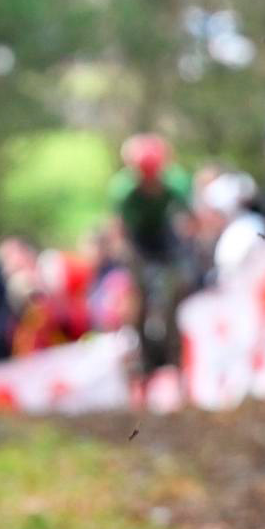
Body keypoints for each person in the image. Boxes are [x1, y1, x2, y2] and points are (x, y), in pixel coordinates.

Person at [110, 134, 195, 374]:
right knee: (139, 295)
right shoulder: (123, 191)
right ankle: (142, 353)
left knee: (178, 286)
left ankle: (175, 349)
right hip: (138, 240)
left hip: (165, 236)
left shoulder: (176, 183)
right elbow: (121, 231)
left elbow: (191, 218)